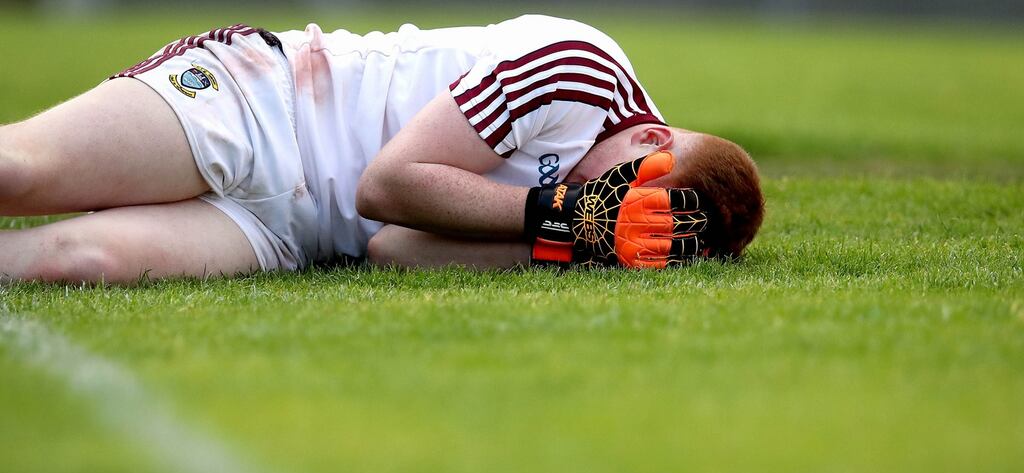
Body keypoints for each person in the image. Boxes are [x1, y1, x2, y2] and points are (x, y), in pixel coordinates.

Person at [0, 15, 763, 284]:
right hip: (265, 104)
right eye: (620, 194)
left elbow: (396, 248)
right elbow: (385, 186)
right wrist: (560, 215)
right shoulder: (578, 67)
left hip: (287, 236)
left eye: (624, 222)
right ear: (653, 140)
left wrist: (573, 243)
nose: (602, 209)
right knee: (18, 172)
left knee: (76, 265)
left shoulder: (588, 228)